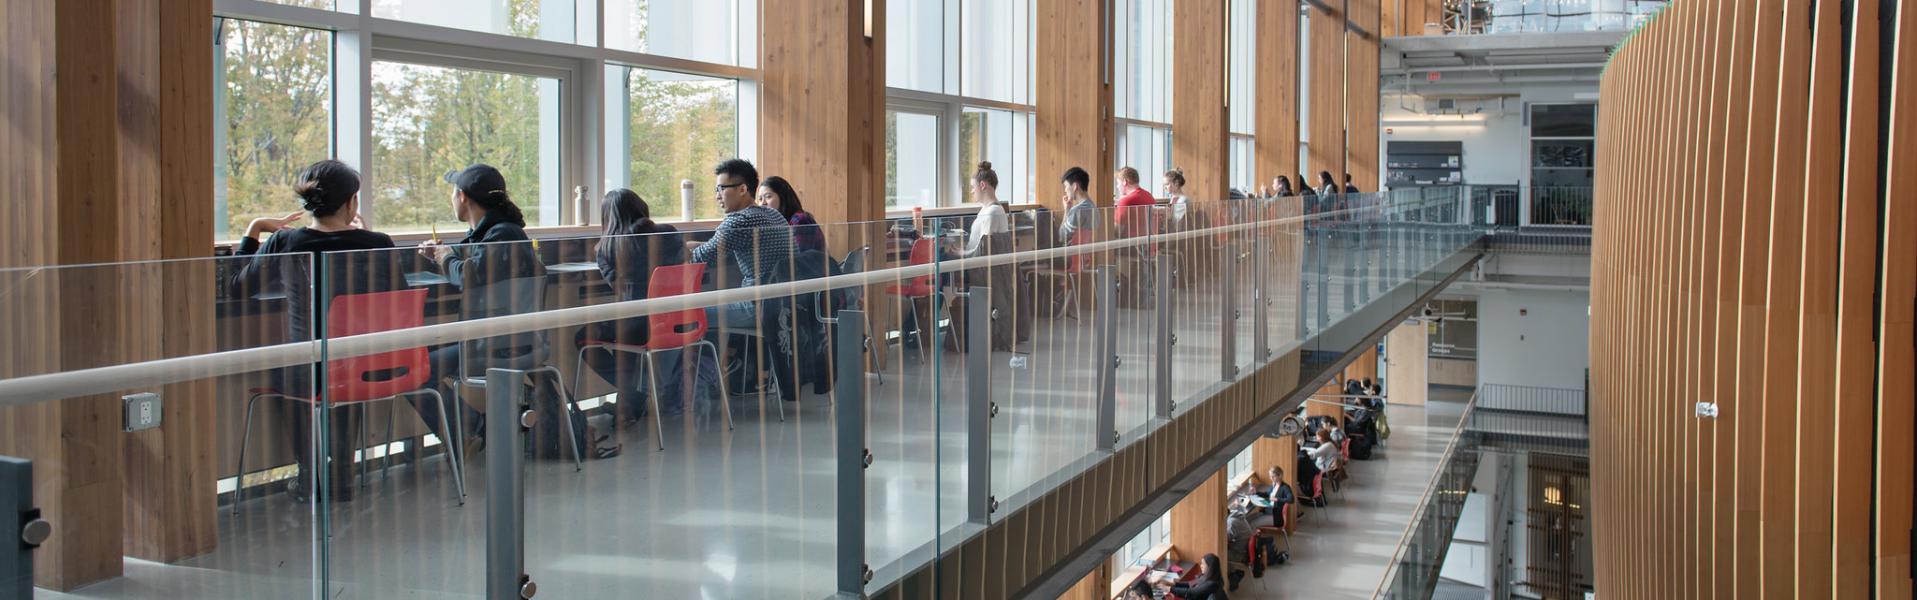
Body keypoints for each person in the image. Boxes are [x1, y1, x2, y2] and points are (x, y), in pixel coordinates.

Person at [229, 159, 402, 503]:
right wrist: (367, 235)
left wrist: (254, 228)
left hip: (308, 368)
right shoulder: (378, 242)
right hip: (365, 364)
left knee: (294, 369)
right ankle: (341, 475)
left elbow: (237, 287)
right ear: (352, 202)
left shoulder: (286, 241)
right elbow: (397, 293)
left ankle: (309, 475)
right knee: (345, 367)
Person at [415, 163, 547, 455]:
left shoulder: (501, 236)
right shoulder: (502, 232)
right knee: (423, 357)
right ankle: (474, 428)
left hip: (497, 343)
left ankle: (471, 430)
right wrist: (444, 257)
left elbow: (471, 277)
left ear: (463, 196)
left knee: (416, 371)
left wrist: (447, 259)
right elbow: (482, 273)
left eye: (452, 192)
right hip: (510, 338)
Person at [576, 189, 689, 423]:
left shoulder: (607, 248)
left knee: (587, 335)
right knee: (625, 331)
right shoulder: (669, 233)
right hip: (679, 320)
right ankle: (629, 403)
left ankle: (631, 394)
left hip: (640, 325)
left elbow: (619, 290)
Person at [687, 158, 794, 401]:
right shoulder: (773, 215)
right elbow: (718, 247)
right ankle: (716, 378)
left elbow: (703, 257)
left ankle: (701, 386)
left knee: (693, 313)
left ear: (743, 189)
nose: (717, 196)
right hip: (784, 306)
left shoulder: (739, 220)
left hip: (757, 307)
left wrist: (681, 247)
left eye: (721, 189)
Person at [757, 175, 826, 254]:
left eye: (768, 197)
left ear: (782, 197)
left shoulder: (800, 220)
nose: (763, 203)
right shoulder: (773, 225)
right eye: (760, 199)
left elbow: (798, 259)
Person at [961, 161, 1011, 257]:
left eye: (973, 187)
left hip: (978, 268)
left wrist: (962, 253)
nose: (972, 191)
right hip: (972, 263)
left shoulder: (993, 212)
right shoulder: (985, 209)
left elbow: (984, 251)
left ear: (982, 185)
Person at [1156, 553, 1229, 600]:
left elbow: (1191, 593)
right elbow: (1190, 583)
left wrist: (1169, 588)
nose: (1201, 566)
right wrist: (1172, 584)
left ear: (1210, 567)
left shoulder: (1212, 584)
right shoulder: (1207, 576)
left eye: (1203, 564)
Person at [1056, 166, 1099, 245]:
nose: (1065, 190)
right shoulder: (1093, 207)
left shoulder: (1076, 211)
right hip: (1087, 255)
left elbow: (1062, 237)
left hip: (1074, 255)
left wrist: (1067, 210)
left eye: (1066, 186)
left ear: (1074, 186)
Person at [1113, 166, 1156, 237]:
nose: (1117, 186)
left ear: (1124, 182)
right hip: (1147, 243)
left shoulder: (1125, 201)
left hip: (1129, 245)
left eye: (1118, 183)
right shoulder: (1149, 195)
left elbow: (1117, 231)